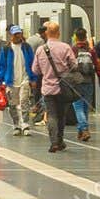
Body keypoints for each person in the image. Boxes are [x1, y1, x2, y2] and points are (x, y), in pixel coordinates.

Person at [29, 21, 78, 153]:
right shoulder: (66, 47)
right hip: (64, 87)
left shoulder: (41, 49)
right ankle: (60, 140)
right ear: (58, 33)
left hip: (48, 88)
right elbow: (74, 65)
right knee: (62, 115)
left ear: (46, 33)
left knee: (51, 115)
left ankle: (54, 142)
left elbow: (35, 70)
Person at [0, 25, 34, 136]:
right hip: (10, 81)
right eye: (15, 34)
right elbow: (1, 65)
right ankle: (16, 124)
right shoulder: (6, 49)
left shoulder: (27, 48)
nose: (18, 36)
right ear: (11, 35)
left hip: (25, 79)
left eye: (19, 34)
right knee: (12, 105)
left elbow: (32, 63)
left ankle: (25, 124)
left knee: (24, 102)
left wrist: (33, 78)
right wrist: (0, 81)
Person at [69, 28, 97, 140]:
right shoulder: (91, 50)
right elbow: (97, 67)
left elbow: (69, 66)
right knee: (85, 107)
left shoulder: (73, 50)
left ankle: (84, 129)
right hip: (89, 82)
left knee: (78, 107)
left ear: (75, 37)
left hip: (77, 82)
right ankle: (81, 131)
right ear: (86, 37)